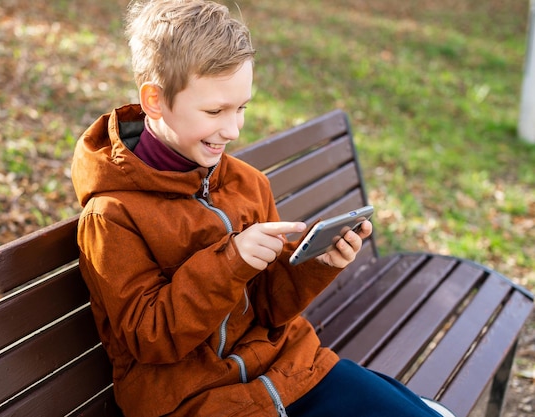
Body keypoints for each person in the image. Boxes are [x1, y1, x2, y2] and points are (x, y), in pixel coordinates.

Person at [71, 1, 456, 416]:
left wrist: (317, 263)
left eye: (241, 108)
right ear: (155, 101)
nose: (233, 129)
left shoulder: (246, 183)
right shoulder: (111, 216)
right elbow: (150, 338)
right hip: (199, 401)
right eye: (215, 111)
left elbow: (269, 308)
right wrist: (231, 262)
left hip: (290, 370)